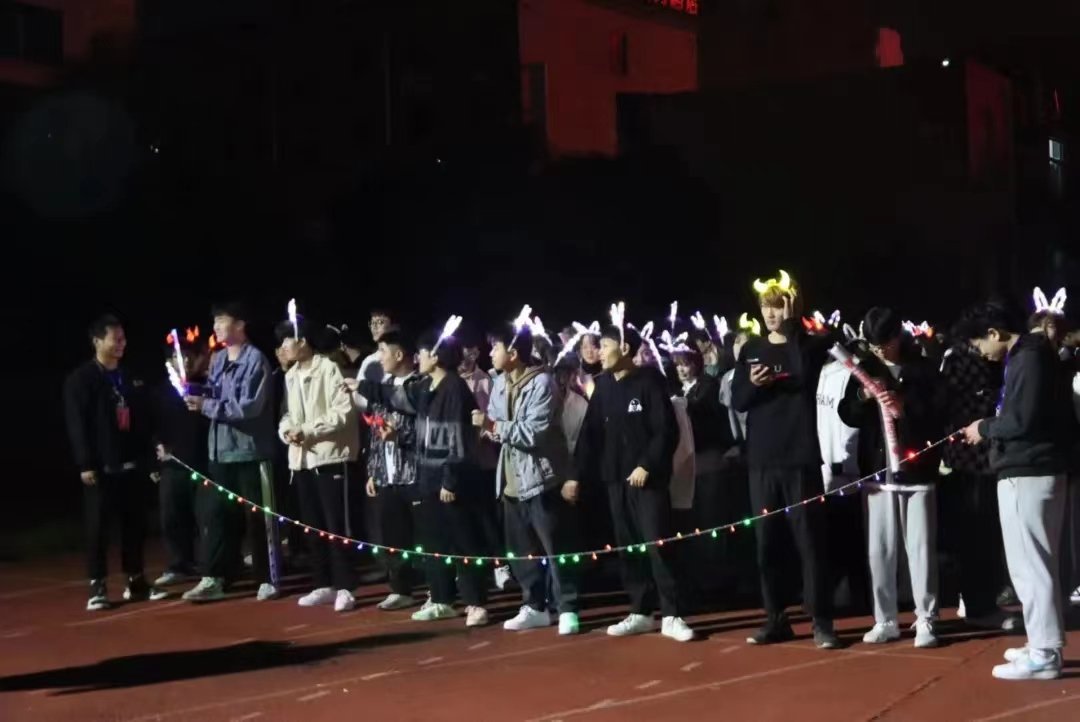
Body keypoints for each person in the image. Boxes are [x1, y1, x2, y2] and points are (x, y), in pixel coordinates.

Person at [957, 301, 1073, 680]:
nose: (981, 353)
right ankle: (1042, 642)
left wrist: (984, 428)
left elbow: (1022, 420)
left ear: (994, 333)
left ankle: (1044, 652)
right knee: (1036, 563)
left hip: (1028, 470)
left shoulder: (1029, 357)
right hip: (1036, 469)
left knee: (1031, 565)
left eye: (979, 344)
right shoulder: (1033, 355)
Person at [731, 275, 840, 648]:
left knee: (809, 542)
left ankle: (821, 621)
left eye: (778, 307)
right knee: (767, 544)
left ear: (791, 307)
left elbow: (803, 373)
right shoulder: (751, 348)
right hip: (761, 460)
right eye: (766, 307)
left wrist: (794, 327)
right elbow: (739, 400)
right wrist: (754, 384)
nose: (770, 314)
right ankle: (775, 618)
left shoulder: (807, 345)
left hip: (800, 458)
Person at [354, 332, 490, 627]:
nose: (419, 358)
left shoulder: (454, 388)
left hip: (451, 480)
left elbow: (457, 439)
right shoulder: (427, 386)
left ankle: (476, 602)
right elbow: (398, 398)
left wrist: (450, 480)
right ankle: (442, 600)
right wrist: (362, 386)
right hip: (427, 476)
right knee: (433, 542)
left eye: (424, 352)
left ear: (437, 356)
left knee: (463, 543)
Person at [572, 325, 695, 642]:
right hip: (615, 480)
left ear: (624, 348)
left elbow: (666, 430)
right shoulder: (602, 387)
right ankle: (640, 611)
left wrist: (647, 465)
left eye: (605, 345)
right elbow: (589, 435)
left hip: (648, 482)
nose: (599, 352)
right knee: (628, 548)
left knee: (658, 545)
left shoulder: (649, 381)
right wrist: (575, 475)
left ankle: (672, 614)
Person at [838, 308, 944, 648]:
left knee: (920, 547)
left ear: (898, 337)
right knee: (879, 549)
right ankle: (884, 619)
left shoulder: (922, 368)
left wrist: (905, 405)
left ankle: (926, 617)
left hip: (916, 469)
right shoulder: (865, 367)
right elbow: (846, 412)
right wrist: (863, 396)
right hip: (877, 469)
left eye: (884, 343)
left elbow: (940, 410)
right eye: (873, 344)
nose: (879, 350)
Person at [477, 324, 581, 635]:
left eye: (495, 348)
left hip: (541, 477)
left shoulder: (543, 383)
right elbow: (496, 420)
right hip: (510, 480)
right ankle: (535, 606)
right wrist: (493, 428)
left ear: (512, 353)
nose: (490, 354)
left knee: (555, 548)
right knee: (521, 551)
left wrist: (494, 427)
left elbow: (533, 433)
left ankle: (568, 608)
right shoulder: (499, 382)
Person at [63, 314, 167, 610]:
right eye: (115, 339)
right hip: (101, 468)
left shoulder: (129, 377)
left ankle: (136, 580)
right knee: (98, 529)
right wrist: (85, 462)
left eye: (123, 338)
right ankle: (97, 586)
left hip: (131, 465)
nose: (122, 343)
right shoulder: (81, 380)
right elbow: (77, 424)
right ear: (97, 341)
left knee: (134, 525)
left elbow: (144, 418)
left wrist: (152, 447)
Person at [182, 302, 279, 603]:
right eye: (215, 322)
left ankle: (267, 578)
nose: (216, 328)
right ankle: (216, 577)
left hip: (250, 452)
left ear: (240, 324)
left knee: (257, 519)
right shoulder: (219, 358)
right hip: (220, 451)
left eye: (221, 321)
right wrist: (196, 393)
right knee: (218, 517)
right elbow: (216, 395)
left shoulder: (256, 360)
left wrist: (206, 406)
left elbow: (249, 407)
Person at [277, 318, 360, 612]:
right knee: (312, 526)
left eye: (287, 340)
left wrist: (308, 431)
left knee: (336, 525)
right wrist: (287, 431)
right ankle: (323, 583)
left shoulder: (329, 368)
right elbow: (287, 414)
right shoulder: (290, 376)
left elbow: (343, 413)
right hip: (302, 460)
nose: (283, 347)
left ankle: (346, 586)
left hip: (331, 457)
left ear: (302, 341)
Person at [351, 328, 423, 611]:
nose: (379, 358)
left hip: (414, 473)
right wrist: (373, 470)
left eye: (383, 351)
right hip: (388, 474)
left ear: (399, 354)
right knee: (392, 535)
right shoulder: (383, 385)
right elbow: (375, 431)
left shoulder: (420, 384)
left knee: (422, 536)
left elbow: (427, 431)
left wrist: (400, 437)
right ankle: (401, 589)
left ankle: (436, 589)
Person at [153, 328, 212, 587]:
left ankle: (209, 565)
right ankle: (178, 564)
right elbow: (151, 426)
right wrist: (157, 447)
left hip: (203, 465)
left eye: (189, 356)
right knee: (172, 517)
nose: (185, 361)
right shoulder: (162, 391)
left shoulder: (205, 387)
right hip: (172, 465)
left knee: (205, 518)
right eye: (179, 357)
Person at [360, 310, 393, 382]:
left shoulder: (400, 358)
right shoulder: (368, 360)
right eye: (372, 322)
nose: (374, 327)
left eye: (380, 322)